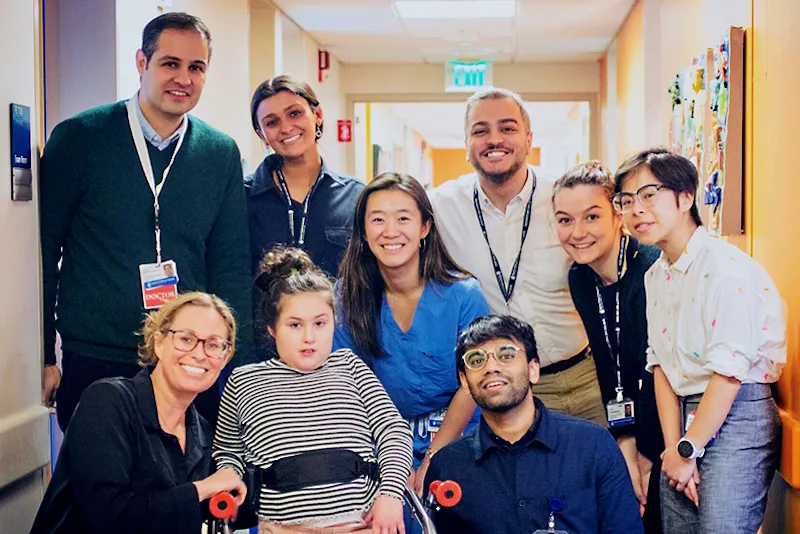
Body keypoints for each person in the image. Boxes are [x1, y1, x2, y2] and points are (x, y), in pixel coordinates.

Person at [39, 12, 253, 431]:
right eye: (170, 63)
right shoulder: (81, 138)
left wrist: (234, 367)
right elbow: (43, 255)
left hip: (191, 362)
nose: (183, 78)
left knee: (180, 490)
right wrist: (44, 356)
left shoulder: (219, 153)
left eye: (196, 67)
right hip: (98, 357)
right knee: (100, 491)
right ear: (142, 63)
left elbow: (230, 265)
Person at [613, 147, 785, 533]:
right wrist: (676, 450)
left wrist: (689, 449)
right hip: (682, 417)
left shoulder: (724, 269)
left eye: (648, 195)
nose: (635, 210)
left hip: (736, 412)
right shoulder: (655, 274)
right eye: (625, 200)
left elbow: (727, 376)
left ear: (686, 196)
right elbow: (660, 366)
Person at [429, 87, 606, 426]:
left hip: (584, 381)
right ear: (466, 144)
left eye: (507, 128)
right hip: (504, 392)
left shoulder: (564, 199)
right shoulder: (441, 207)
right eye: (480, 131)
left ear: (528, 138)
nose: (494, 139)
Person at [213, 247, 413, 532]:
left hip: (358, 523)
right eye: (295, 325)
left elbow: (393, 433)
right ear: (272, 328)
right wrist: (228, 476)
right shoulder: (244, 380)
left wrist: (391, 494)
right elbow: (228, 451)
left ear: (334, 321)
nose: (309, 337)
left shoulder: (350, 367)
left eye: (320, 323)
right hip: (281, 528)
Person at [30, 292, 248, 534]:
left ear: (225, 357)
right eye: (186, 339)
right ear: (159, 342)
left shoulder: (202, 433)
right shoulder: (107, 401)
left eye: (214, 345)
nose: (199, 354)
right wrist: (202, 488)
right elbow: (109, 518)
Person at [334, 172, 490, 498]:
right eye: (377, 219)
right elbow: (345, 386)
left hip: (459, 434)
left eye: (403, 218)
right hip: (379, 437)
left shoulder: (464, 295)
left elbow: (474, 382)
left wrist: (433, 455)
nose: (391, 231)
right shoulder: (349, 299)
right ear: (363, 231)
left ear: (424, 227)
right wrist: (393, 462)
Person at [424, 315, 644, 534]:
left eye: (506, 355)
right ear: (464, 380)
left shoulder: (593, 445)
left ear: (533, 369)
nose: (491, 367)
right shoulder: (448, 467)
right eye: (476, 360)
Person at [552, 161, 663, 532]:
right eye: (565, 219)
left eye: (592, 217)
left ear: (618, 215)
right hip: (633, 425)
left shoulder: (650, 269)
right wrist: (624, 438)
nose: (578, 232)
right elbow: (608, 364)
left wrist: (643, 452)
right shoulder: (581, 278)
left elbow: (657, 372)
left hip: (677, 425)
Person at [246, 75, 364, 278]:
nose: (286, 128)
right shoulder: (241, 196)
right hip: (263, 310)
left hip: (336, 310)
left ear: (317, 115)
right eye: (272, 122)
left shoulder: (355, 196)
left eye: (294, 113)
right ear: (261, 134)